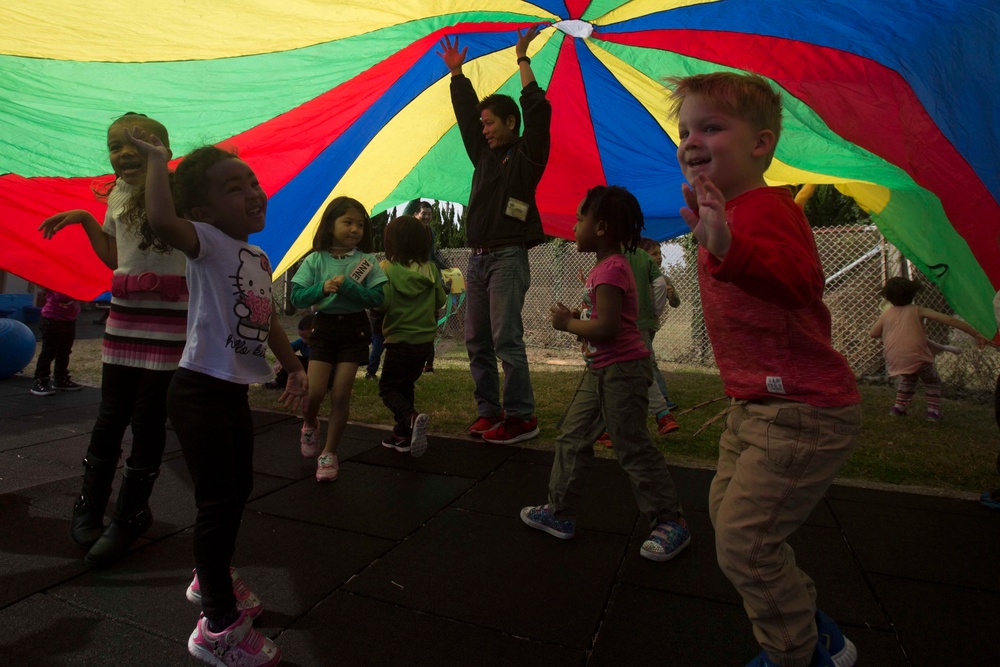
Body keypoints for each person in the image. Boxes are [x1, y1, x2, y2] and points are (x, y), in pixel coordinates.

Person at [668, 71, 861, 667]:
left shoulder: (766, 210)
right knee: (728, 520)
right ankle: (812, 625)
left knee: (745, 544)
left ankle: (794, 654)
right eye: (685, 130)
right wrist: (715, 237)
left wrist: (729, 247)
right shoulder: (718, 214)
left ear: (761, 144)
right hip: (754, 406)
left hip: (801, 409)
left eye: (711, 126)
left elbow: (803, 283)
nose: (692, 139)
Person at [126, 127, 306, 667]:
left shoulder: (256, 255)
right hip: (198, 389)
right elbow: (161, 220)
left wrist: (293, 364)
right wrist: (158, 161)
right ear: (203, 210)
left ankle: (212, 579)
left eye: (252, 181)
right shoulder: (206, 242)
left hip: (230, 392)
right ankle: (218, 627)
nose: (252, 191)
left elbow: (266, 315)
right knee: (217, 502)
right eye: (234, 188)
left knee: (238, 489)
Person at [39, 113, 189, 565]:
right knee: (110, 417)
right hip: (124, 320)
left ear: (161, 147)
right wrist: (86, 217)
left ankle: (131, 512)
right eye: (114, 146)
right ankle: (90, 504)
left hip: (169, 321)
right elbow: (114, 256)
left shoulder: (177, 191)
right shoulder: (119, 194)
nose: (123, 153)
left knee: (147, 420)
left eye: (136, 143)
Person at [520, 185, 691, 562]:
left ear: (601, 228)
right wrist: (582, 318)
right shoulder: (606, 268)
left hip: (624, 372)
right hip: (601, 369)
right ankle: (560, 513)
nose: (575, 225)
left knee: (631, 444)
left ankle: (670, 521)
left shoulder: (612, 268)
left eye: (581, 218)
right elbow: (603, 321)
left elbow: (609, 329)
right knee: (572, 434)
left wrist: (567, 324)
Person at [437, 26, 550, 444]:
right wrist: (457, 75)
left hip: (507, 257)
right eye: (482, 124)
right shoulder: (483, 156)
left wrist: (522, 60)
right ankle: (489, 411)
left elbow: (539, 113)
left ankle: (522, 417)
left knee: (505, 338)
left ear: (510, 122)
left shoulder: (528, 154)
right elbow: (467, 115)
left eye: (491, 123)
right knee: (475, 340)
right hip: (478, 258)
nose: (483, 129)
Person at [290, 197, 386, 482]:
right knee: (316, 393)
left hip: (354, 330)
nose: (355, 229)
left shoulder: (367, 261)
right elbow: (297, 297)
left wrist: (351, 289)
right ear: (330, 225)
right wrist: (322, 288)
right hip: (324, 329)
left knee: (341, 394)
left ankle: (329, 453)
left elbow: (379, 299)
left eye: (360, 224)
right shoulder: (315, 259)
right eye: (347, 222)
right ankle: (309, 424)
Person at [377, 215, 447, 457]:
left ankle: (411, 417)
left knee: (387, 387)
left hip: (400, 342)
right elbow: (441, 300)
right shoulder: (431, 269)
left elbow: (382, 302)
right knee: (405, 384)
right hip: (425, 344)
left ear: (391, 242)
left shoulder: (386, 269)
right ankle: (403, 434)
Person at [869, 277, 987, 420]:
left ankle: (898, 408)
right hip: (918, 357)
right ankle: (933, 411)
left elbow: (873, 333)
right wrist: (975, 334)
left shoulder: (886, 314)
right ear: (913, 294)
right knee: (932, 381)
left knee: (908, 378)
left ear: (887, 297)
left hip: (895, 359)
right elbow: (950, 320)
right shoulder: (918, 310)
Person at [639, 237, 681, 410]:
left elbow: (676, 303)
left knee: (647, 359)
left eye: (660, 253)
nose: (659, 257)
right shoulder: (639, 277)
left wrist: (671, 295)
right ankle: (658, 397)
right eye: (654, 253)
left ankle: (658, 396)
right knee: (647, 359)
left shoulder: (664, 279)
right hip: (640, 324)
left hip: (652, 326)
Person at [409, 200, 449, 373]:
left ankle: (429, 364)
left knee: (431, 320)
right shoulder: (407, 230)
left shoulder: (431, 232)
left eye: (429, 214)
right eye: (423, 213)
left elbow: (431, 256)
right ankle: (410, 360)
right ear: (415, 214)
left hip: (429, 277)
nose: (426, 217)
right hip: (411, 278)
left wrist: (446, 269)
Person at [30, 289, 83, 396]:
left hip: (69, 320)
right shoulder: (59, 282)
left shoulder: (75, 282)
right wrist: (81, 292)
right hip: (52, 320)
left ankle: (61, 379)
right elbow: (61, 297)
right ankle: (40, 380)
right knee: (49, 352)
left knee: (64, 352)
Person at [265, 313, 315, 389]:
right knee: (293, 359)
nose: (304, 341)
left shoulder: (323, 345)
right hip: (307, 369)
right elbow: (283, 351)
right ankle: (278, 382)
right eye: (302, 337)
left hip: (320, 371)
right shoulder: (301, 342)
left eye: (307, 338)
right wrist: (279, 362)